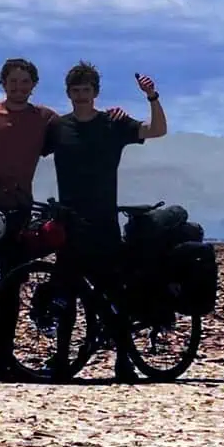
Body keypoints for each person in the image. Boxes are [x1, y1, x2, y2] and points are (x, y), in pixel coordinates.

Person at [0, 58, 127, 380]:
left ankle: (5, 358)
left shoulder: (44, 119)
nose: (18, 87)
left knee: (11, 284)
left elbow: (81, 125)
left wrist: (114, 117)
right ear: (3, 84)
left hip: (19, 210)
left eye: (25, 82)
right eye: (12, 81)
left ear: (33, 85)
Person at [41, 60, 168, 383]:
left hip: (102, 221)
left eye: (86, 90)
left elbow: (157, 131)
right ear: (68, 93)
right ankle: (61, 361)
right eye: (76, 90)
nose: (81, 95)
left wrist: (152, 97)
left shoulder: (113, 124)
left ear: (95, 93)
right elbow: (27, 151)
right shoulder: (58, 127)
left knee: (113, 295)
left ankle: (124, 362)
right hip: (69, 222)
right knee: (66, 295)